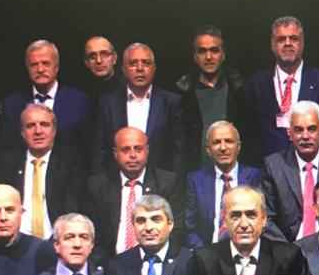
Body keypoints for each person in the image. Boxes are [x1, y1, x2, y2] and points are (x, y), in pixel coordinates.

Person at [241, 16, 319, 160]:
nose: (287, 44)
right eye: (281, 39)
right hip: (267, 167)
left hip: (314, 166)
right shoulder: (254, 85)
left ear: (302, 43)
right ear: (272, 45)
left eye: (293, 39)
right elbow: (249, 135)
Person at [260, 100, 319, 242]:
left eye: (312, 129)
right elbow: (265, 217)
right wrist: (287, 250)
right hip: (288, 247)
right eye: (299, 130)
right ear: (290, 133)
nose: (305, 136)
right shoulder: (273, 166)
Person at [83, 126, 183, 261]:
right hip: (109, 262)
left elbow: (176, 230)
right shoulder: (97, 186)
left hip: (155, 261)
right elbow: (93, 235)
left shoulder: (168, 183)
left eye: (138, 149)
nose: (133, 155)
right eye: (126, 150)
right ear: (115, 153)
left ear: (147, 151)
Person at [90, 43, 186, 173]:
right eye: (133, 63)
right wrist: (99, 182)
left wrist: (176, 182)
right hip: (116, 181)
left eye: (146, 63)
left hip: (160, 181)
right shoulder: (107, 102)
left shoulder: (171, 102)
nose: (140, 68)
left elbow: (178, 151)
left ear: (154, 68)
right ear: (123, 68)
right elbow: (99, 150)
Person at [0, 103, 84, 240]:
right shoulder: (7, 162)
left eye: (44, 125)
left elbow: (71, 211)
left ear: (54, 130)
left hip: (58, 241)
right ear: (22, 133)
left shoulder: (71, 160)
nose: (38, 131)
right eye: (30, 126)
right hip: (17, 241)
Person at [2, 40, 90, 153]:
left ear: (56, 67)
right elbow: (8, 148)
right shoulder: (11, 104)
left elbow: (88, 146)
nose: (40, 69)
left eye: (46, 63)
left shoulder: (80, 101)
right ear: (27, 68)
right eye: (34, 65)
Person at [175, 26, 245, 166]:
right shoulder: (182, 94)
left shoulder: (239, 90)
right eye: (202, 51)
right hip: (195, 172)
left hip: (233, 172)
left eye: (214, 50)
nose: (208, 57)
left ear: (223, 54)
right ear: (195, 57)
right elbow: (178, 142)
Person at [185, 121, 261, 249]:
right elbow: (189, 228)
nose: (223, 147)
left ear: (238, 147)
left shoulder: (254, 177)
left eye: (229, 141)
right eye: (216, 142)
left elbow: (261, 221)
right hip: (207, 251)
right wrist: (205, 254)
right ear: (208, 150)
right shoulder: (196, 180)